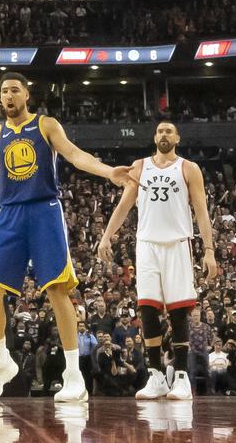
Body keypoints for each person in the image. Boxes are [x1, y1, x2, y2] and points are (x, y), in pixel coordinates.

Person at [0, 72, 131, 404]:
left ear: (27, 95)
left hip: (44, 210)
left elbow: (75, 155)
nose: (9, 96)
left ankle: (73, 375)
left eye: (14, 90)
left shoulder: (46, 125)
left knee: (56, 289)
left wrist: (108, 171)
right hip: (10, 213)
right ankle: (2, 363)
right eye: (4, 91)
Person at [96, 120, 218, 401]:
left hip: (178, 243)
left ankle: (182, 377)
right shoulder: (139, 167)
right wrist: (105, 237)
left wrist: (209, 249)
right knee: (148, 309)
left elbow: (201, 210)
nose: (164, 134)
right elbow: (124, 205)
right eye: (160, 131)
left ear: (177, 138)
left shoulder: (189, 168)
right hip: (147, 244)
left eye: (169, 131)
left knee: (178, 312)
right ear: (154, 137)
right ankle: (156, 376)